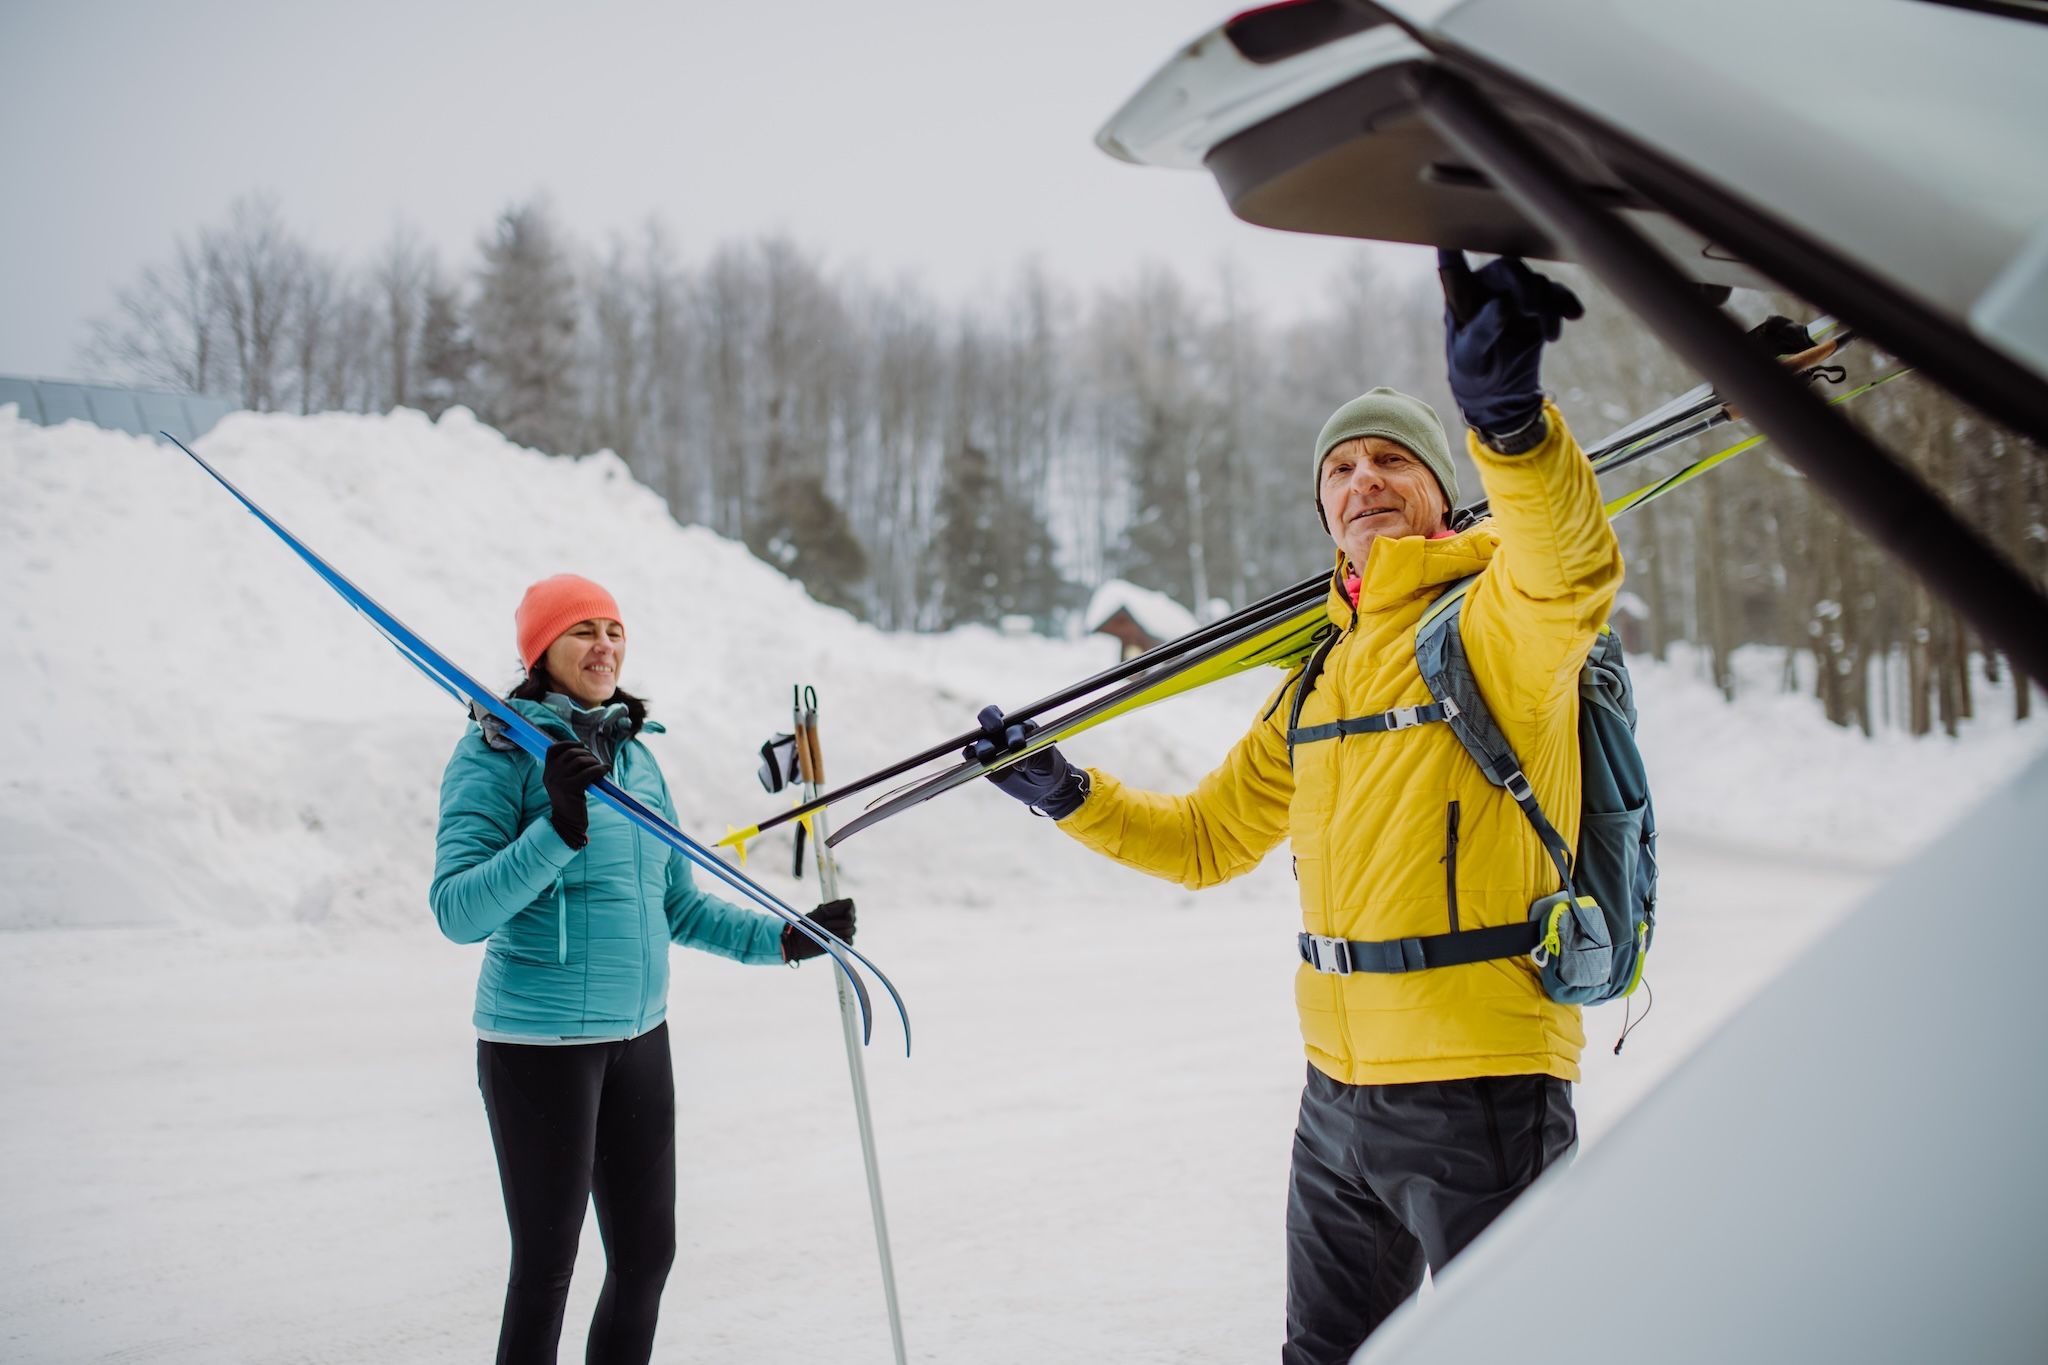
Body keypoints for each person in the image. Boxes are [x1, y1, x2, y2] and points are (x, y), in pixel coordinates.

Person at [976, 253, 1619, 1363]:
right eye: (1338, 468)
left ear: (1435, 485)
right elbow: (1207, 841)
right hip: (1336, 1098)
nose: (1361, 479)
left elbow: (1566, 564)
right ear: (1321, 506)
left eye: (1388, 460)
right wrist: (1063, 789)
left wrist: (1506, 422)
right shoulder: (1317, 677)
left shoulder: (1495, 627)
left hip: (1480, 1082)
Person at [429, 573, 855, 1365]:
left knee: (645, 1260)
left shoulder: (637, 757)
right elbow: (457, 910)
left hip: (639, 1040)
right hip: (538, 1044)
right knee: (545, 1270)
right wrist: (557, 826)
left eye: (613, 629)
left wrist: (787, 938)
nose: (604, 645)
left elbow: (679, 905)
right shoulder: (496, 753)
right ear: (540, 651)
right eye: (582, 630)